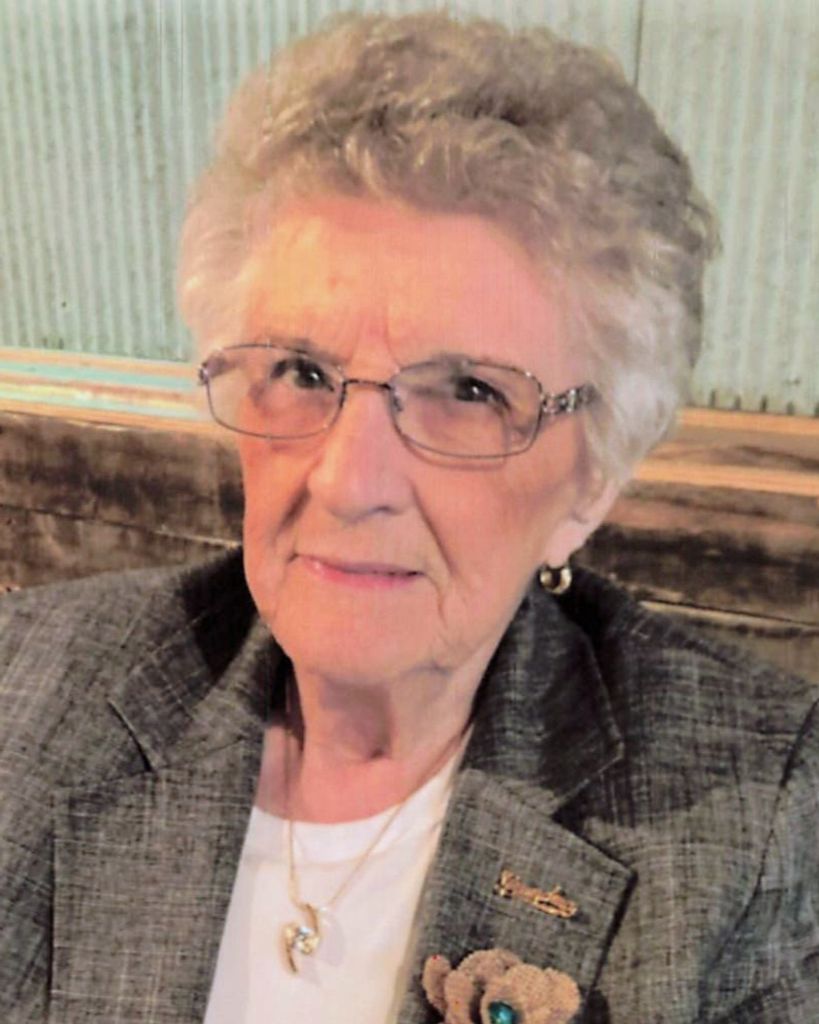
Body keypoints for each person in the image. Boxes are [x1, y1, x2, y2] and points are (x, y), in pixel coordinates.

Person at [1, 10, 817, 1024]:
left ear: (591, 481)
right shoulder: (25, 686)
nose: (348, 482)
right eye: (301, 372)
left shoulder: (755, 814)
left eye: (469, 391)